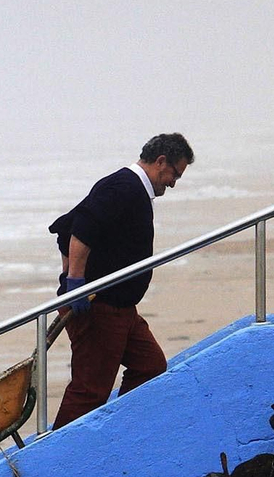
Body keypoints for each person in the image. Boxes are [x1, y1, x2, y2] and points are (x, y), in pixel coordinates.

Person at [48, 133, 193, 428]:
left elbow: (65, 228)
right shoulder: (123, 187)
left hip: (123, 309)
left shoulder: (132, 190)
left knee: (149, 365)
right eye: (174, 174)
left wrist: (69, 274)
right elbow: (78, 229)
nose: (174, 183)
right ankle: (57, 459)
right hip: (99, 307)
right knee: (90, 390)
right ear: (160, 161)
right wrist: (74, 283)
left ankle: (115, 430)